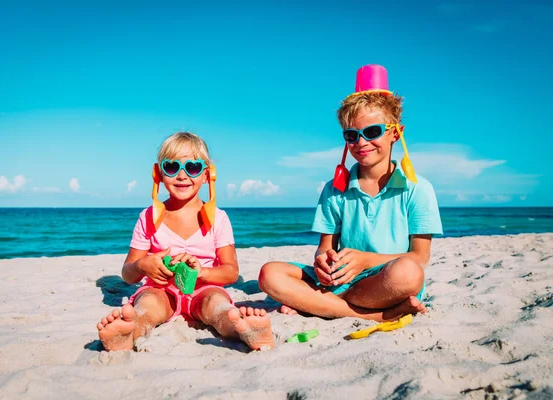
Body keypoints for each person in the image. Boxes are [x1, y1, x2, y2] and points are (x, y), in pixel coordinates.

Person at [258, 65, 443, 322]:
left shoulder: (418, 189)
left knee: (408, 273)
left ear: (395, 133)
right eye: (352, 135)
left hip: (382, 282)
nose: (361, 142)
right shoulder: (334, 190)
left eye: (372, 132)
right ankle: (376, 316)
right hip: (339, 280)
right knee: (270, 273)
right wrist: (324, 262)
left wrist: (365, 260)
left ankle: (317, 303)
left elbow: (420, 257)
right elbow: (324, 248)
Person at [97, 132, 274, 351]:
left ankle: (245, 330)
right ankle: (128, 333)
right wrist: (143, 265)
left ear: (207, 175)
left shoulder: (218, 218)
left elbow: (231, 272)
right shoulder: (148, 217)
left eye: (192, 168)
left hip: (204, 288)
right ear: (158, 173)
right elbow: (128, 273)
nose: (182, 175)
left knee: (217, 306)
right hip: (161, 290)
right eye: (171, 167)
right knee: (148, 306)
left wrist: (203, 273)